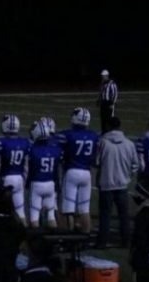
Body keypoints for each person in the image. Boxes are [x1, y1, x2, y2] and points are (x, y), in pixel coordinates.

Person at [96, 116, 140, 248]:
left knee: (105, 215)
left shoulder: (102, 142)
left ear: (109, 126)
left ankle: (102, 241)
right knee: (124, 215)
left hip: (106, 184)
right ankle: (126, 241)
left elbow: (96, 162)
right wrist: (127, 176)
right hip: (122, 185)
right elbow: (135, 164)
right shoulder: (129, 144)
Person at [57, 108, 100, 235]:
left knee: (67, 209)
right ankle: (86, 235)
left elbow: (60, 153)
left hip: (72, 171)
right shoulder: (94, 136)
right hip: (87, 173)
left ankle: (67, 236)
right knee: (84, 209)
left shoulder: (67, 135)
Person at [0, 114, 30, 225]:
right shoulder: (24, 142)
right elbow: (26, 166)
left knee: (2, 211)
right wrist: (24, 180)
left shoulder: (0, 142)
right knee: (20, 211)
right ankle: (25, 237)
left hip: (5, 178)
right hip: (19, 178)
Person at [98, 69, 118, 134]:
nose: (102, 77)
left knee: (109, 119)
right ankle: (103, 132)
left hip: (109, 103)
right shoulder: (102, 83)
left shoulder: (112, 83)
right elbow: (101, 93)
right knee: (103, 118)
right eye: (102, 76)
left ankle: (110, 132)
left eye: (104, 76)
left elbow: (115, 94)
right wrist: (99, 100)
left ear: (107, 76)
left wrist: (112, 103)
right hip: (103, 103)